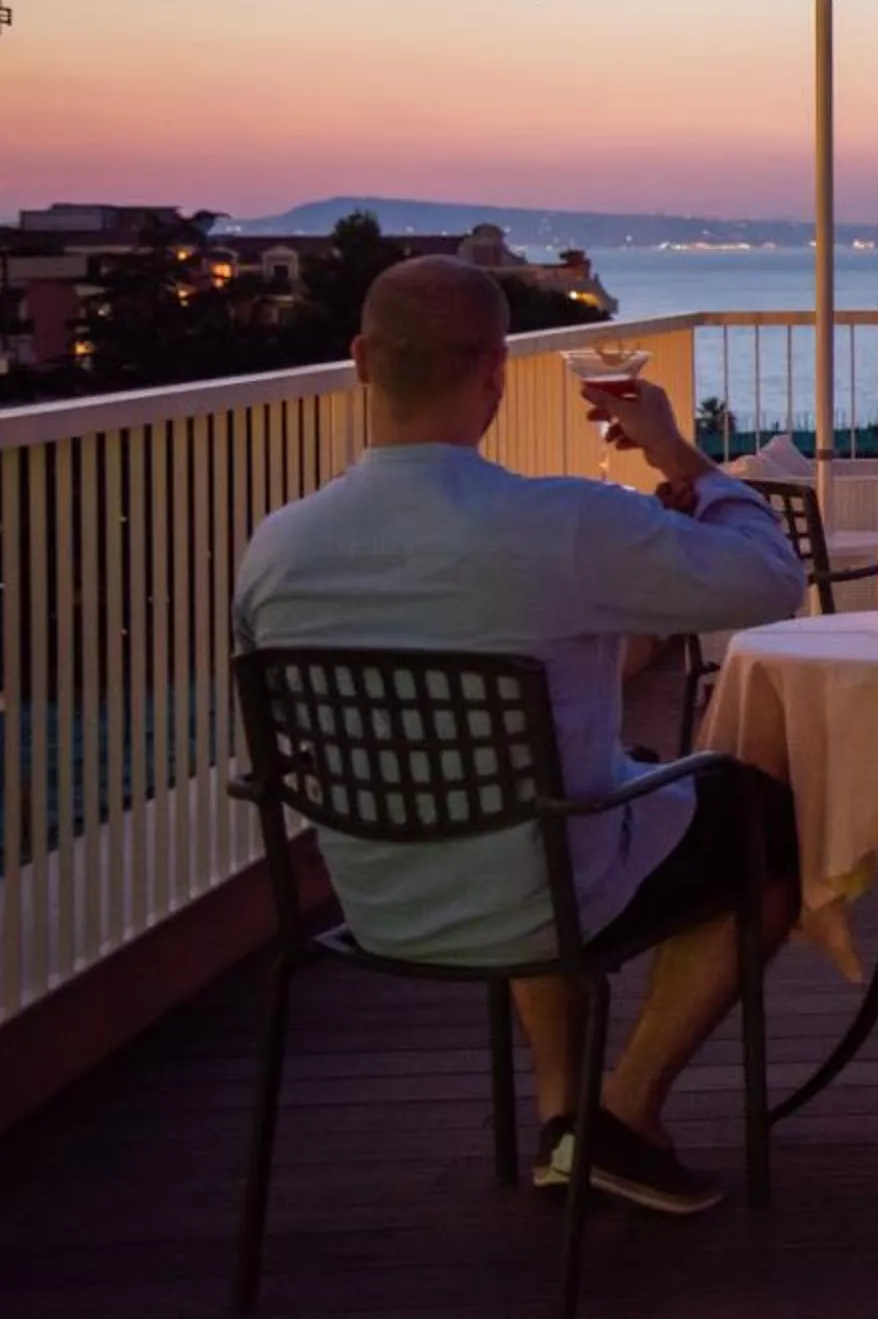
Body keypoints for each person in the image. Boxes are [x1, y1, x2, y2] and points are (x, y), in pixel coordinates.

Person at [234, 257, 808, 1216]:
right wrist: (680, 457)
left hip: (377, 896)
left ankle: (561, 1118)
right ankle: (617, 1115)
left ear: (362, 360)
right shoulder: (558, 523)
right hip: (542, 888)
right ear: (498, 371)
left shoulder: (279, 545)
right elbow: (767, 580)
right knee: (762, 824)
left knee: (545, 802)